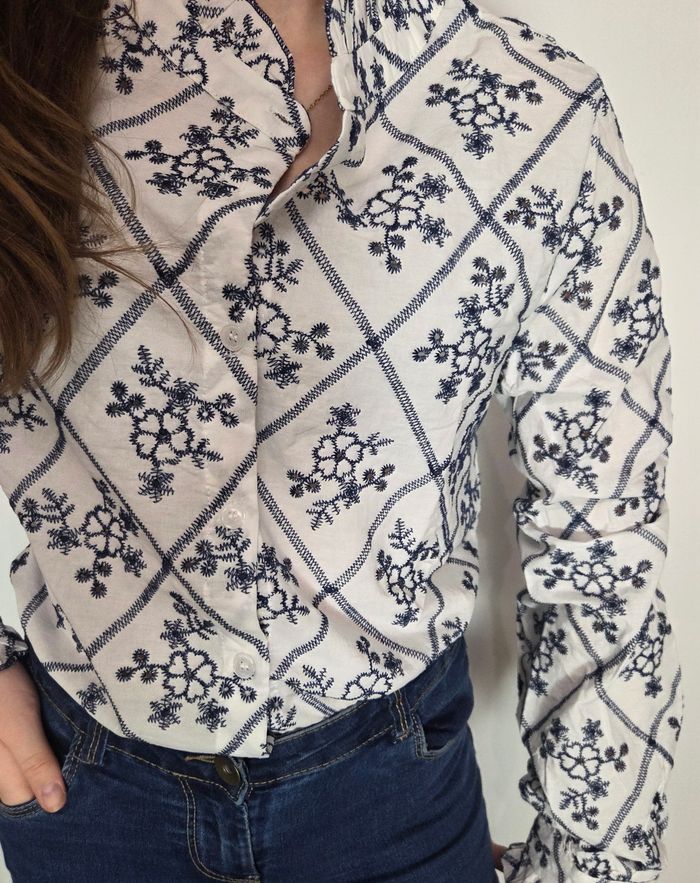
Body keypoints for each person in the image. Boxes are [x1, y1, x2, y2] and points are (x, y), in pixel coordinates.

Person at [0, 0, 683, 880]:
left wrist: (595, 866)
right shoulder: (25, 73)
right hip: (86, 800)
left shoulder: (533, 110)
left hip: (393, 800)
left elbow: (603, 534)